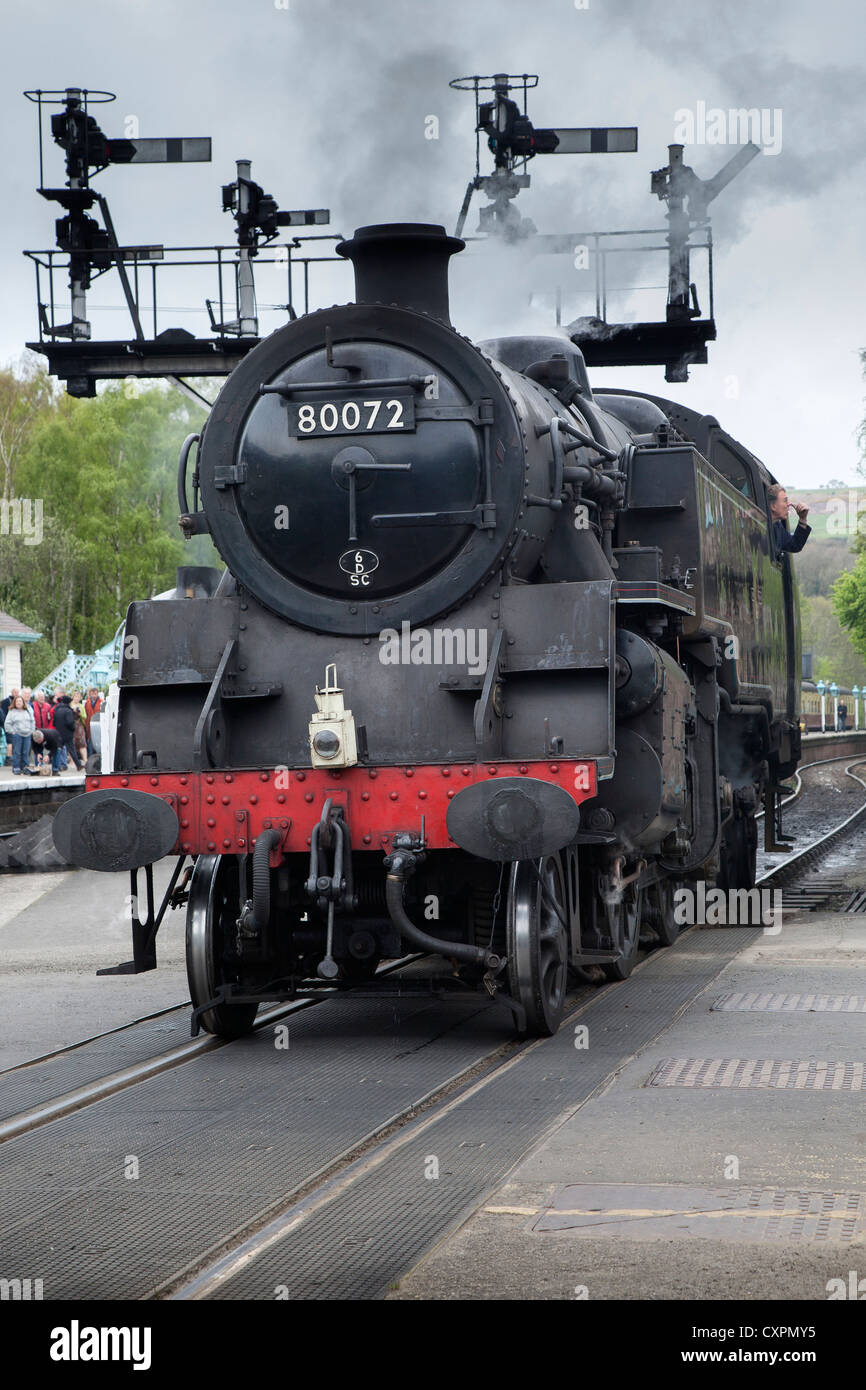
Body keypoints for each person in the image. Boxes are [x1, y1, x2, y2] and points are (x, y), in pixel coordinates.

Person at [768, 484, 810, 554]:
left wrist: (802, 518)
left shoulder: (777, 526)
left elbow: (795, 545)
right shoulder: (757, 523)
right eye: (785, 501)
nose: (789, 504)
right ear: (773, 506)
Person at [52, 692, 83, 771]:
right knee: (72, 750)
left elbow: (54, 723)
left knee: (57, 749)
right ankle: (78, 765)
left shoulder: (57, 710)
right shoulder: (68, 711)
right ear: (68, 702)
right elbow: (70, 722)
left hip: (58, 733)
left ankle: (57, 765)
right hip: (67, 734)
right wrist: (72, 728)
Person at [5, 694, 35, 775]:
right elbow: (7, 724)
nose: (19, 702)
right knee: (17, 751)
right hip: (17, 734)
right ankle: (16, 767)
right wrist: (12, 731)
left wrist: (32, 730)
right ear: (14, 703)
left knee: (26, 752)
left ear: (23, 702)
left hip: (27, 734)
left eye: (20, 701)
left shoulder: (28, 710)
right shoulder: (11, 712)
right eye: (17, 701)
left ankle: (25, 767)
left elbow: (32, 721)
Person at [84, 687, 103, 755]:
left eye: (95, 693)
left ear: (97, 693)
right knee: (90, 741)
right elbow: (85, 714)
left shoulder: (102, 702)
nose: (93, 695)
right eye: (92, 694)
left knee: (99, 740)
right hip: (89, 725)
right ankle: (90, 756)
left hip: (98, 725)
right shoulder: (87, 703)